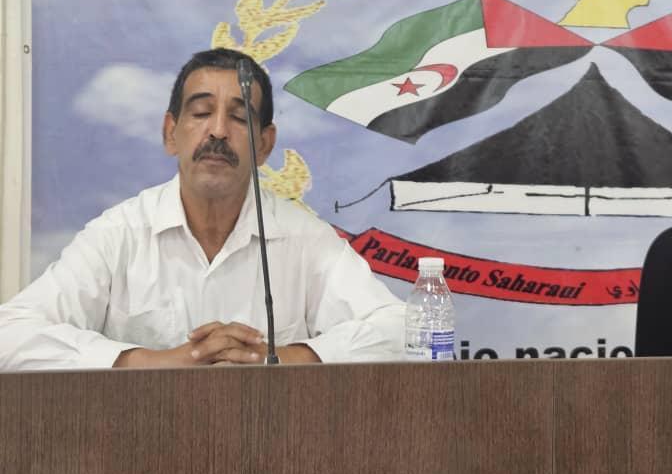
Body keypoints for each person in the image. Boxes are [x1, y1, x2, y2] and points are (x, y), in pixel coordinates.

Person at [0, 48, 404, 370]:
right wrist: (150, 362)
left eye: (239, 117)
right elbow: (11, 334)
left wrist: (283, 358)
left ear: (264, 145)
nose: (218, 131)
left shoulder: (304, 238)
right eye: (201, 113)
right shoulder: (118, 233)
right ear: (170, 133)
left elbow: (403, 331)